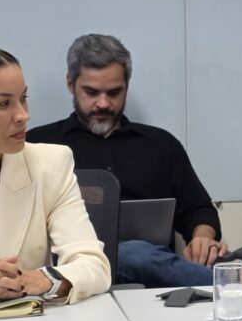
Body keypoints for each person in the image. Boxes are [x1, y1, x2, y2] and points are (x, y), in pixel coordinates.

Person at [27, 34, 227, 287]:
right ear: (70, 84)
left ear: (126, 87)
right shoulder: (39, 146)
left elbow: (198, 209)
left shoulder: (161, 145)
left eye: (114, 92)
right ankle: (228, 286)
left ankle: (226, 284)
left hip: (151, 284)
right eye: (91, 92)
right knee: (125, 253)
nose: (103, 103)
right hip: (70, 272)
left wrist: (203, 238)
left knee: (140, 254)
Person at [0, 39, 110, 306]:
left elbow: (93, 265)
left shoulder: (51, 164)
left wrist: (38, 280)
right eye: (3, 103)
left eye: (23, 99)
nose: (23, 115)